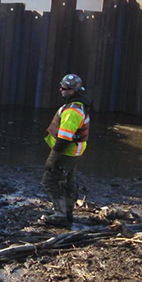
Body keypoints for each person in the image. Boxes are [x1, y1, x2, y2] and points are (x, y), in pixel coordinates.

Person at [41, 73, 91, 228]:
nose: (61, 89)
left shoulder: (72, 111)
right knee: (68, 181)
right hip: (74, 151)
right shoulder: (77, 105)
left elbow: (64, 139)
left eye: (65, 88)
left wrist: (52, 158)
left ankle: (60, 214)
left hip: (66, 152)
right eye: (61, 86)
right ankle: (67, 212)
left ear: (72, 91)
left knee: (50, 180)